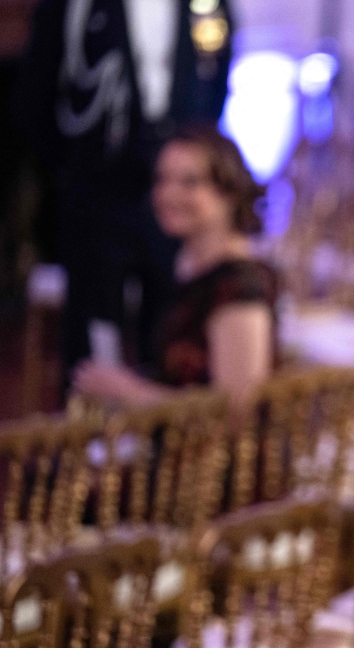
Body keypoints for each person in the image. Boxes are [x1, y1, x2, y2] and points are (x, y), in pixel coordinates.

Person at [13, 0, 233, 386]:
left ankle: (161, 437)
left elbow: (217, 68)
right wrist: (74, 167)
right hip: (97, 191)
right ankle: (89, 440)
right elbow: (37, 89)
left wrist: (192, 145)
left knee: (169, 329)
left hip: (172, 189)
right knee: (92, 335)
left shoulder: (205, 2)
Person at [72, 127, 278, 410]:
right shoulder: (187, 262)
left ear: (230, 191)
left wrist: (128, 390)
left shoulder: (240, 286)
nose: (168, 194)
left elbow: (237, 414)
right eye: (162, 179)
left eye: (189, 182)